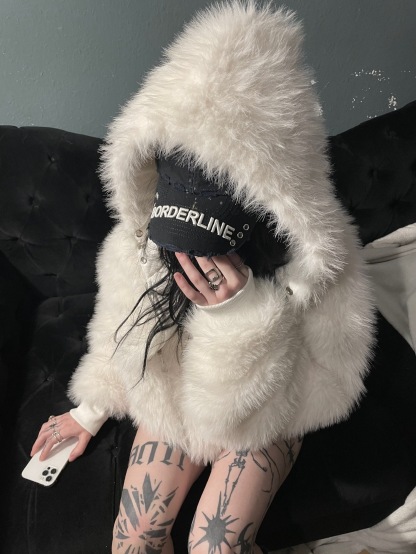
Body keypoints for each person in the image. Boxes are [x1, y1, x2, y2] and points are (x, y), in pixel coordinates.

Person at [30, 2, 375, 553]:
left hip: (269, 411)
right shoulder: (142, 244)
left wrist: (239, 316)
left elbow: (293, 391)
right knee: (133, 538)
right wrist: (89, 411)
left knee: (215, 545)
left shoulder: (320, 269)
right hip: (179, 394)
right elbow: (124, 336)